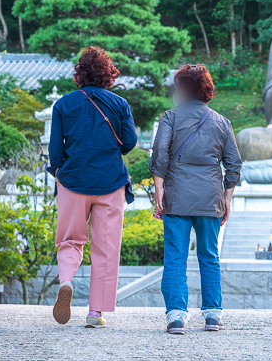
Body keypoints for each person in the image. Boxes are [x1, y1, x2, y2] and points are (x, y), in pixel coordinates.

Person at [49, 47, 138, 329]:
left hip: (73, 182)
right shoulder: (119, 104)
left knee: (70, 240)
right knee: (105, 248)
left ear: (79, 74)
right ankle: (94, 312)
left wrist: (61, 171)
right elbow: (130, 141)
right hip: (110, 182)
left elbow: (54, 153)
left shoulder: (63, 105)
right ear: (108, 75)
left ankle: (66, 282)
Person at [151, 64, 243, 334]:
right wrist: (227, 197)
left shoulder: (170, 117)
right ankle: (213, 315)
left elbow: (160, 157)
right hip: (209, 197)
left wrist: (159, 192)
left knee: (175, 257)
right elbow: (234, 164)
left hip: (177, 196)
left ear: (182, 89)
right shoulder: (221, 121)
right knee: (209, 256)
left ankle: (176, 317)